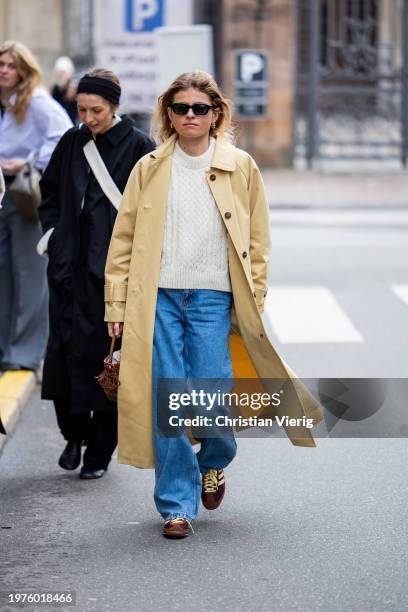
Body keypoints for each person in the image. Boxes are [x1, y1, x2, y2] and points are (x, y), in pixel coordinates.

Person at [105, 71, 323, 538]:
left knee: (211, 398)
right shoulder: (149, 167)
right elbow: (122, 241)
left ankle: (215, 461)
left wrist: (254, 296)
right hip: (158, 298)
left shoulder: (240, 166)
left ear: (215, 114)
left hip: (213, 297)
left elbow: (259, 239)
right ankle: (176, 505)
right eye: (180, 108)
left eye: (199, 109)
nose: (189, 116)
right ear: (168, 114)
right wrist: (116, 308)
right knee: (170, 396)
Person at [38, 68, 155, 480]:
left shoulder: (141, 147)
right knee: (62, 357)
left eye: (97, 110)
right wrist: (52, 238)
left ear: (115, 107)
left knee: (110, 364)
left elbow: (154, 209)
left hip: (113, 275)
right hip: (67, 270)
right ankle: (74, 434)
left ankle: (100, 453)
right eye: (82, 109)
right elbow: (49, 192)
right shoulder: (72, 142)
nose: (88, 117)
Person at [0, 40, 72, 372]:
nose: (4, 71)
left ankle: (26, 353)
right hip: (2, 195)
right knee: (4, 275)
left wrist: (28, 163)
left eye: (11, 65)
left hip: (23, 194)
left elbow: (63, 136)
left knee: (28, 275)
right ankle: (5, 348)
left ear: (24, 70)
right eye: (1, 64)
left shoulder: (39, 102)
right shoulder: (6, 103)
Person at [51, 56, 78, 124]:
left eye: (63, 73)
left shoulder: (74, 87)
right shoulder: (56, 89)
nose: (61, 75)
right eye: (59, 73)